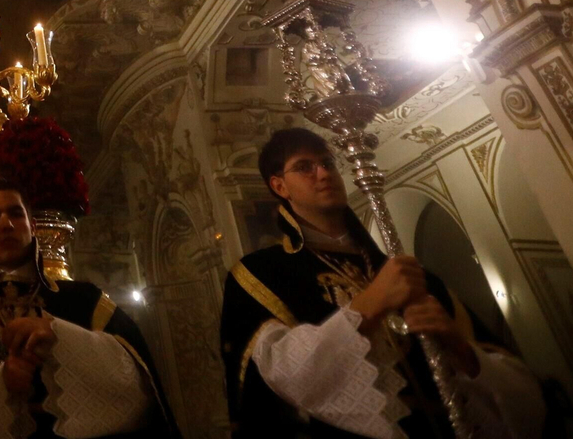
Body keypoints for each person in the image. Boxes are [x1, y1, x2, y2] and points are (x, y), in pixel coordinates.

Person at [220, 128, 545, 438]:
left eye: (328, 163)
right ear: (280, 186)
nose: (323, 173)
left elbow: (521, 395)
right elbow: (283, 374)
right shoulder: (262, 275)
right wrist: (369, 305)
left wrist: (461, 349)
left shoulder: (405, 272)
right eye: (304, 167)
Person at [0, 178, 172, 438]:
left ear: (33, 226)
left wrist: (61, 337)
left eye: (16, 214)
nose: (7, 224)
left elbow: (137, 383)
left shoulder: (85, 299)